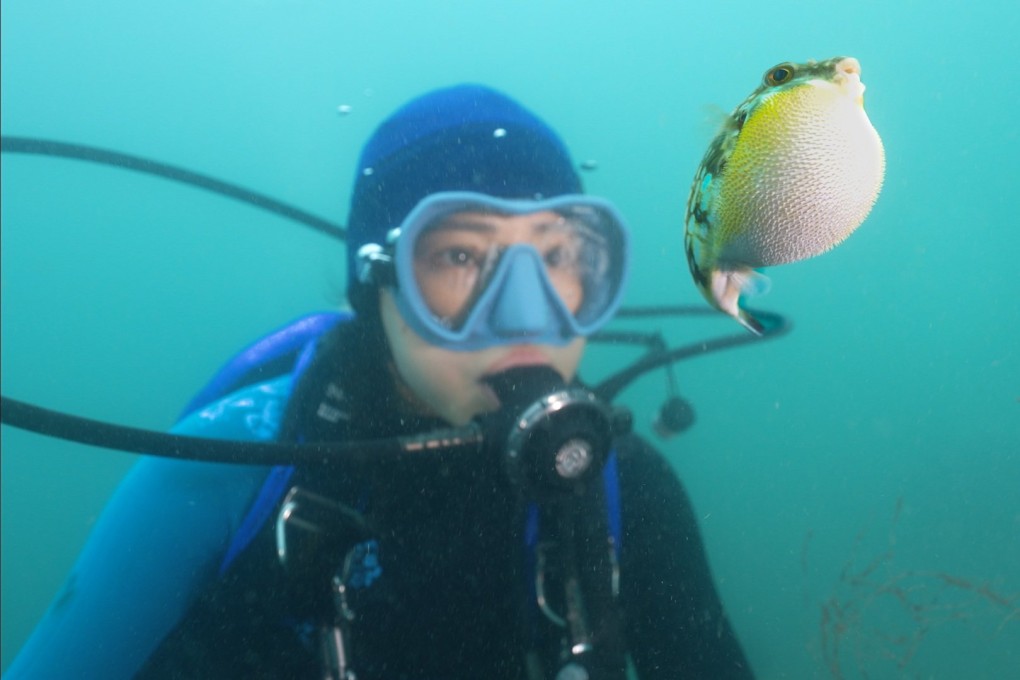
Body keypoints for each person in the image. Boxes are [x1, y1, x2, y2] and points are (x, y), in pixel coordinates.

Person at [5, 85, 755, 679]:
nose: (527, 318)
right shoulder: (227, 469)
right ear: (376, 286)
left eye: (560, 258)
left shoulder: (625, 490)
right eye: (461, 258)